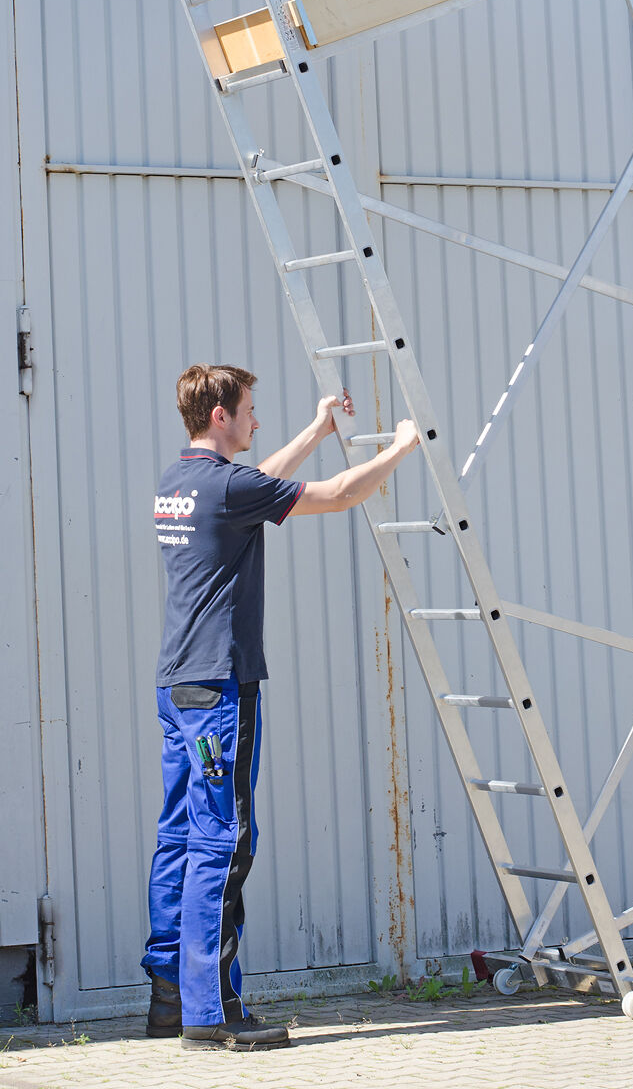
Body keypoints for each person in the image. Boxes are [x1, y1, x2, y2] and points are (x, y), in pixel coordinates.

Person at [142, 362, 419, 1051]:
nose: (254, 419)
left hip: (179, 687)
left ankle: (169, 999)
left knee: (180, 836)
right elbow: (334, 495)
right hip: (220, 690)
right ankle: (210, 1012)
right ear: (220, 416)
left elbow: (258, 481)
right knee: (222, 842)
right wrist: (405, 445)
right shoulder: (228, 487)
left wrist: (317, 429)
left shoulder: (180, 482)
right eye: (249, 410)